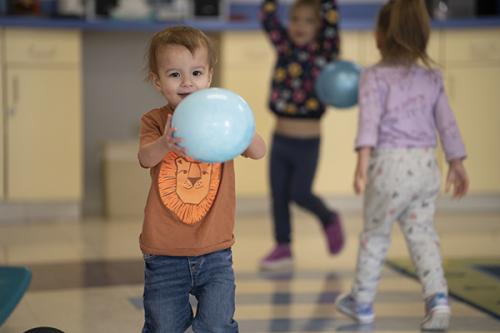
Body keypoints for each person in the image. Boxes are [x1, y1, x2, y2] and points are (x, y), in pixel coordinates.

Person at [335, 0, 469, 331]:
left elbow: (370, 121)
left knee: (376, 235)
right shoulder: (432, 78)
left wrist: (361, 163)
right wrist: (457, 162)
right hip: (425, 167)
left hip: (388, 167)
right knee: (423, 234)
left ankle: (362, 301)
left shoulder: (374, 77)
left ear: (380, 36)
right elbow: (447, 124)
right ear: (424, 36)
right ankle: (437, 300)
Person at [138, 26, 266, 333]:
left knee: (218, 324)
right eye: (174, 75)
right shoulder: (155, 121)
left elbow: (259, 151)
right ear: (157, 81)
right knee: (163, 326)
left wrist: (241, 127)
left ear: (209, 76)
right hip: (165, 252)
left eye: (196, 73)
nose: (187, 82)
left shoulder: (221, 118)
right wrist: (164, 144)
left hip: (215, 250)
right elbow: (145, 158)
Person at [259, 0, 345, 271]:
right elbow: (268, 19)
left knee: (300, 193)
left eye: (309, 21)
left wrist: (326, 10)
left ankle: (328, 217)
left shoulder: (325, 51)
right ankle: (283, 246)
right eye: (295, 19)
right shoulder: (284, 47)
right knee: (279, 195)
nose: (300, 26)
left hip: (308, 142)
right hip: (280, 138)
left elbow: (331, 18)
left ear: (319, 25)